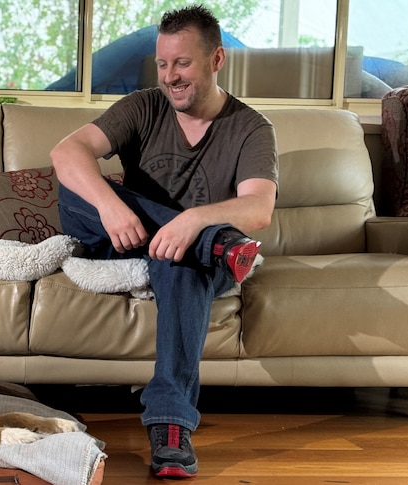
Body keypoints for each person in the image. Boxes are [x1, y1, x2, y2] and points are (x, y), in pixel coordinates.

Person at [50, 5, 278, 479]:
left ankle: (170, 426)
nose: (170, 75)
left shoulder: (251, 127)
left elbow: (258, 207)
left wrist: (193, 222)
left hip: (186, 257)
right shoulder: (143, 106)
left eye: (183, 63)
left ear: (216, 59)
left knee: (178, 262)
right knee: (73, 190)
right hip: (125, 233)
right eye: (162, 63)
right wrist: (111, 206)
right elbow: (66, 151)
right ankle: (214, 244)